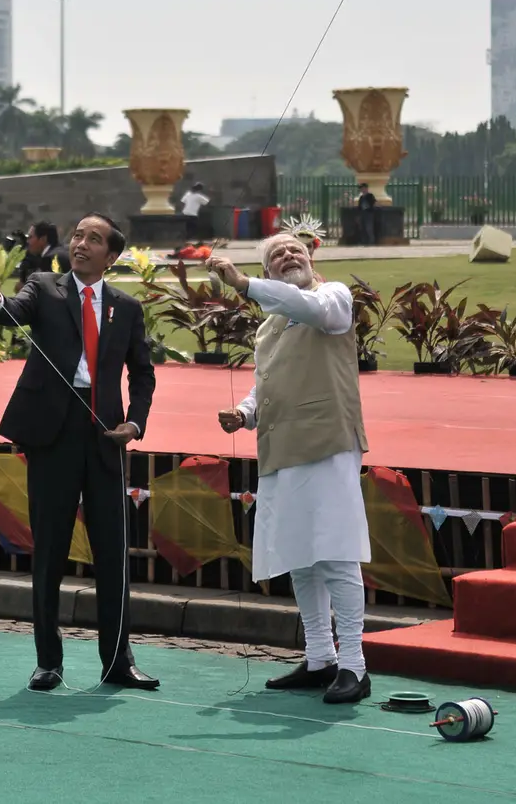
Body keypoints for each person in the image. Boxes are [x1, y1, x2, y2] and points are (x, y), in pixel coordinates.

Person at [0, 213, 158, 692]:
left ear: (111, 256)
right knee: (50, 552)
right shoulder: (44, 287)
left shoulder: (126, 307)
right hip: (52, 436)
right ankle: (48, 662)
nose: (80, 244)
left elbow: (143, 374)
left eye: (93, 239)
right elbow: (12, 310)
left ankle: (118, 660)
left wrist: (134, 422)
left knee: (113, 553)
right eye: (78, 235)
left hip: (105, 439)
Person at [208, 233, 372, 704]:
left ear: (311, 258)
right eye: (276, 254)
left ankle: (355, 665)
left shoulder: (332, 296)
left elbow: (314, 311)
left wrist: (243, 283)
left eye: (294, 250)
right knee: (301, 555)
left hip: (328, 441)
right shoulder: (269, 328)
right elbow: (267, 385)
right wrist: (244, 413)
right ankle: (320, 658)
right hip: (280, 448)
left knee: (336, 552)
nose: (287, 256)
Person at [16, 220, 71, 288]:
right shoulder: (66, 250)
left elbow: (49, 291)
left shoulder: (49, 259)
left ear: (43, 239)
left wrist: (24, 288)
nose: (27, 241)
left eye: (30, 237)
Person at [282, 215, 326, 283]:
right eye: (300, 246)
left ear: (314, 248)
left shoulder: (321, 280)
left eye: (308, 246)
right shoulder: (283, 278)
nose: (305, 250)